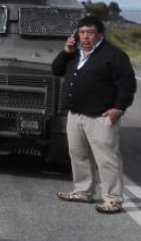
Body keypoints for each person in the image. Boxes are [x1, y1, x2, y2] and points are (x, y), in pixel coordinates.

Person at [52, 15, 136, 215]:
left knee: (107, 159)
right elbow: (56, 70)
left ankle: (113, 199)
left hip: (101, 116)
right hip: (76, 113)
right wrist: (66, 52)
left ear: (99, 34)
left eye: (90, 32)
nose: (85, 37)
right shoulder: (74, 53)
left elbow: (127, 84)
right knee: (78, 154)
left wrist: (118, 108)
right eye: (82, 32)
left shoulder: (114, 55)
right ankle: (83, 191)